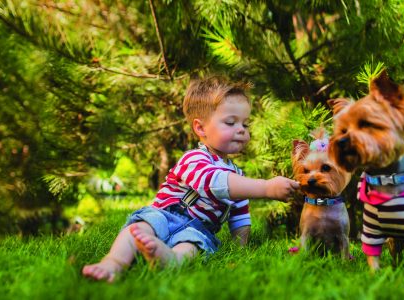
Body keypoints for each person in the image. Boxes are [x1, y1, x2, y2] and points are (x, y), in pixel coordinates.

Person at [82, 76, 299, 282]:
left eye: (245, 124)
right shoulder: (194, 158)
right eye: (231, 123)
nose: (241, 130)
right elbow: (213, 182)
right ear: (200, 128)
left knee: (192, 245)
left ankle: (169, 259)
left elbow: (239, 217)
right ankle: (113, 263)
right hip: (164, 215)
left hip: (197, 229)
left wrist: (239, 248)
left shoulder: (238, 177)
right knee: (139, 227)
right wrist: (266, 188)